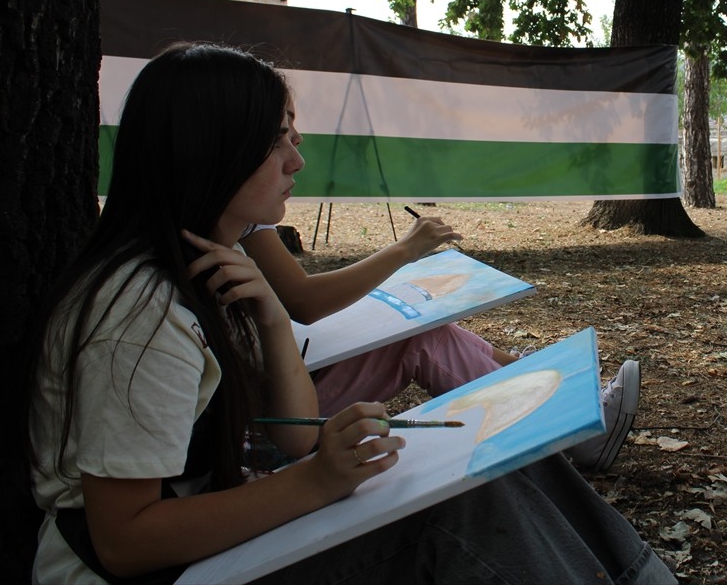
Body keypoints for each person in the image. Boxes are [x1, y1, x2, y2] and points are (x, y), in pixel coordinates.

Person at [28, 43, 675, 584]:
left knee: (497, 460)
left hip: (212, 540)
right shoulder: (139, 315)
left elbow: (298, 436)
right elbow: (123, 541)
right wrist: (315, 484)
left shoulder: (210, 268)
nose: (296, 161)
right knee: (464, 510)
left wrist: (276, 325)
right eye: (276, 142)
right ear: (213, 153)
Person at [241, 203, 639, 473]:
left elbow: (294, 305)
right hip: (262, 429)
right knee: (419, 340)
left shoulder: (231, 217)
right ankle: (569, 428)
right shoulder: (234, 217)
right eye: (279, 139)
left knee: (423, 332)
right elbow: (303, 301)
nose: (297, 154)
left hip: (278, 394)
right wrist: (404, 249)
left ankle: (539, 381)